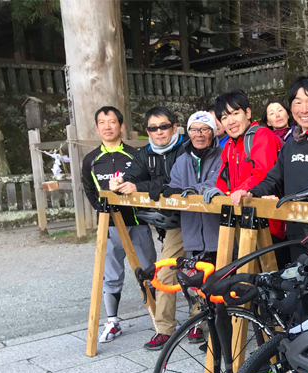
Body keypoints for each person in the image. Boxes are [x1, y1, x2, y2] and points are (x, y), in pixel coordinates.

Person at [231, 76, 308, 257]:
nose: (304, 109)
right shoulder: (291, 145)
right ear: (291, 107)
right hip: (295, 232)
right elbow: (274, 179)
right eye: (298, 102)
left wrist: (286, 201)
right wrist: (251, 192)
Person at [109, 106, 189, 351]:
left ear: (175, 127)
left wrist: (139, 186)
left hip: (198, 218)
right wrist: (120, 182)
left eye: (164, 126)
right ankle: (164, 328)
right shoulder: (146, 153)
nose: (159, 132)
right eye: (153, 128)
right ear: (147, 132)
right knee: (167, 272)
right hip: (173, 222)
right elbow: (133, 175)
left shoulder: (187, 147)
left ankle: (198, 322)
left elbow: (175, 181)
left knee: (197, 270)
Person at [81, 106, 156, 344]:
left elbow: (147, 184)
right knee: (111, 275)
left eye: (112, 121)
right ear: (97, 127)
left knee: (149, 271)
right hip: (110, 226)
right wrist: (103, 212)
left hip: (138, 221)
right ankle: (112, 322)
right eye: (102, 122)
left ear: (121, 126)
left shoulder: (136, 154)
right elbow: (90, 191)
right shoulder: (91, 159)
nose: (107, 126)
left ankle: (160, 320)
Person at [210, 89, 289, 266]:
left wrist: (239, 192)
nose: (230, 121)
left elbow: (263, 174)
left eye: (235, 114)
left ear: (247, 113)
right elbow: (223, 178)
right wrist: (217, 192)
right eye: (224, 118)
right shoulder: (230, 144)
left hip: (268, 222)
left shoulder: (261, 135)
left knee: (269, 273)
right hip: (242, 218)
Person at [163, 111, 223, 259]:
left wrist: (193, 190)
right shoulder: (181, 160)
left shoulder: (224, 154)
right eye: (194, 129)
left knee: (221, 279)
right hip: (192, 235)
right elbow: (175, 185)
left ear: (213, 132)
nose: (199, 134)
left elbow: (219, 181)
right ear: (189, 133)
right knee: (196, 278)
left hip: (219, 233)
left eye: (205, 129)